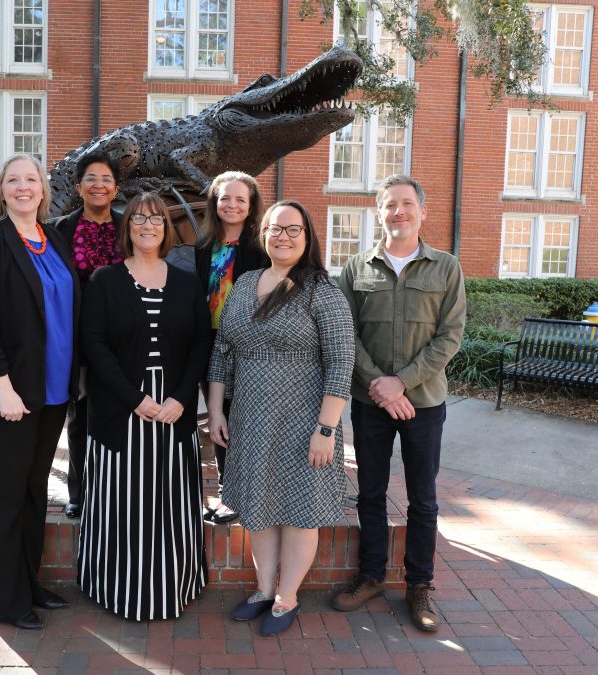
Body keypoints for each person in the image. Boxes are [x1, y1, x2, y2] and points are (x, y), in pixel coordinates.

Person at [207, 200, 355, 637]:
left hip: (305, 422)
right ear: (264, 235)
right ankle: (261, 589)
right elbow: (223, 350)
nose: (283, 236)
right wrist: (216, 410)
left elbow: (341, 360)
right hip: (251, 418)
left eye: (293, 229)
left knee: (299, 511)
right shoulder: (247, 282)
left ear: (307, 237)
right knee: (260, 509)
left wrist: (326, 429)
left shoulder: (321, 291)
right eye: (275, 228)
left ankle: (287, 595)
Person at [332, 175, 466, 633]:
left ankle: (419, 585)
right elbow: (344, 335)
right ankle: (371, 575)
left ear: (423, 211)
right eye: (390, 205)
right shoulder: (355, 268)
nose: (399, 212)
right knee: (370, 493)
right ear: (379, 212)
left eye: (407, 204)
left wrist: (402, 384)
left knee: (422, 499)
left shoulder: (446, 268)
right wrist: (380, 386)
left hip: (424, 403)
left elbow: (450, 336)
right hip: (370, 403)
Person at [0, 153, 79, 630]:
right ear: (1, 189)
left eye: (32, 179)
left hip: (51, 394)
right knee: (5, 497)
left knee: (32, 493)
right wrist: (3, 387)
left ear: (44, 190)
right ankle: (3, 600)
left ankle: (27, 583)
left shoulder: (55, 241)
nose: (23, 187)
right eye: (14, 180)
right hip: (5, 397)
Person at [77, 192, 211, 620]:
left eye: (156, 220)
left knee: (171, 502)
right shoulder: (104, 280)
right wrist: (135, 399)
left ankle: (174, 586)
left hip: (175, 407)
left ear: (166, 230)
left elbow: (200, 346)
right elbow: (94, 346)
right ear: (127, 228)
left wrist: (180, 398)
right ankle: (117, 588)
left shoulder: (187, 283)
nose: (148, 226)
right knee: (121, 502)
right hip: (121, 408)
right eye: (139, 219)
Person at [50, 151, 124, 520]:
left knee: (121, 412)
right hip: (76, 336)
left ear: (116, 188)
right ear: (79, 187)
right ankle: (78, 491)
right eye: (91, 179)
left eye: (106, 179)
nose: (99, 185)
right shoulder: (59, 230)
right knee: (79, 418)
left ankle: (119, 489)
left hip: (121, 337)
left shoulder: (130, 226)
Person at [193, 171, 268, 524]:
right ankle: (228, 492)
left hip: (251, 347)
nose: (232, 205)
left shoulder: (262, 247)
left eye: (240, 199)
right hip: (210, 347)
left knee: (250, 419)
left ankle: (256, 493)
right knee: (219, 417)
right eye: (226, 198)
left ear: (251, 206)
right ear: (215, 202)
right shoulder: (204, 247)